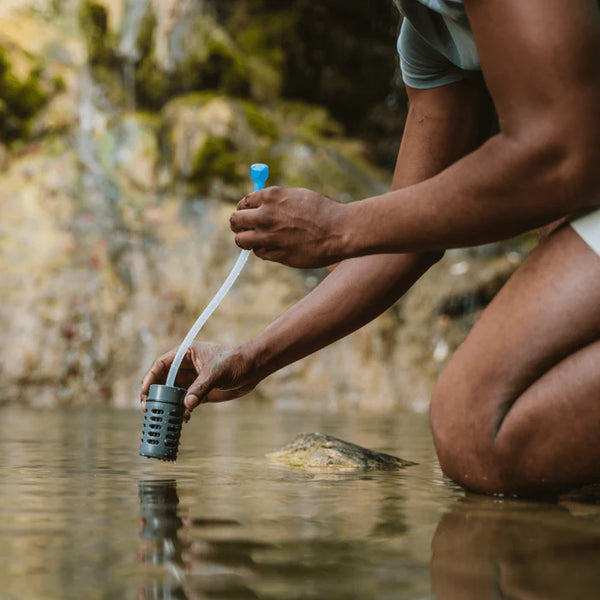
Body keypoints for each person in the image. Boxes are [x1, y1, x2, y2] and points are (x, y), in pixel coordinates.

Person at [141, 0, 600, 497]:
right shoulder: (432, 32)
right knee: (544, 428)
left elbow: (558, 155)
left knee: (478, 426)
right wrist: (250, 358)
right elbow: (407, 238)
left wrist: (339, 225)